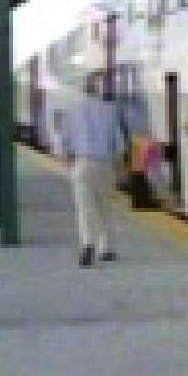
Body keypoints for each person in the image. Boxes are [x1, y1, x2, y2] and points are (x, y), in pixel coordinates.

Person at [62, 72, 126, 267]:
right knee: (105, 207)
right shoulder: (109, 110)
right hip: (105, 164)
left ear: (82, 88)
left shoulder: (72, 110)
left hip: (82, 163)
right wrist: (119, 165)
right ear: (98, 89)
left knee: (84, 208)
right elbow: (120, 144)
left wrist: (69, 159)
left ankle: (87, 244)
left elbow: (65, 140)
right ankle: (105, 248)